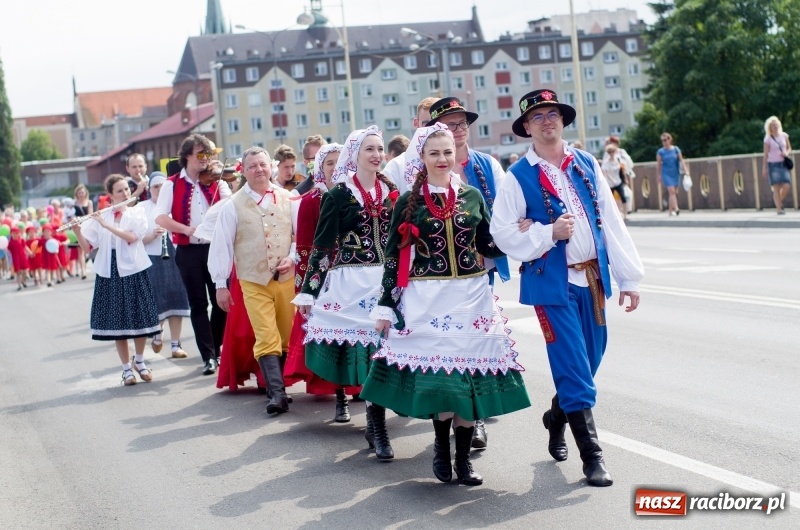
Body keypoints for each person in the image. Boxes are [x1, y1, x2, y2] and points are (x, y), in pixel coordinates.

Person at [361, 124, 530, 485]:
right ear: (422, 157)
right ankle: (441, 447)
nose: (442, 159)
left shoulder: (471, 195)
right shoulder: (409, 202)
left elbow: (487, 243)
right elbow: (393, 258)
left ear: (456, 155)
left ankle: (463, 460)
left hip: (471, 299)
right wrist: (386, 306)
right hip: (428, 302)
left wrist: (518, 234)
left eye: (448, 152)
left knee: (469, 380)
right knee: (443, 382)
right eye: (434, 153)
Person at [491, 89, 644, 487]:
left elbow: (610, 221)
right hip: (550, 284)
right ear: (527, 127)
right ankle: (592, 457)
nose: (547, 121)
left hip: (592, 278)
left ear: (562, 120)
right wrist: (547, 233)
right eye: (538, 117)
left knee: (589, 361)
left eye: (552, 114)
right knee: (573, 366)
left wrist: (628, 277)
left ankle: (556, 415)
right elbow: (502, 232)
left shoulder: (586, 163)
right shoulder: (517, 176)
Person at [294, 126, 399, 460]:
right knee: (370, 355)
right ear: (355, 154)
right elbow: (323, 247)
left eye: (380, 149)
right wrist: (309, 291)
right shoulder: (338, 195)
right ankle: (377, 426)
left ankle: (377, 419)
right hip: (352, 284)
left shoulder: (392, 191)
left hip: (387, 282)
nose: (377, 155)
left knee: (389, 352)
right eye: (369, 149)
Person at [426, 96, 512, 448]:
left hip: (477, 271)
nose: (458, 130)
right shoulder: (417, 169)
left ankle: (472, 419)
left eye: (462, 123)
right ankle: (445, 420)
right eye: (449, 125)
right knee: (445, 349)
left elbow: (506, 209)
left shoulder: (486, 165)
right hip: (432, 280)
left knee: (474, 345)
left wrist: (520, 235)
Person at [209, 147, 297, 414]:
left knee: (285, 334)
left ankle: (276, 386)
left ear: (271, 167)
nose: (258, 170)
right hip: (253, 280)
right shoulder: (232, 205)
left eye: (262, 164)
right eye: (252, 166)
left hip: (286, 279)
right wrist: (221, 285)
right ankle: (277, 394)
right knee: (265, 334)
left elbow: (298, 236)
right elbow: (222, 246)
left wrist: (291, 257)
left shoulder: (289, 198)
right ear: (243, 171)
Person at [285, 142, 361, 422]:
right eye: (329, 163)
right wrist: (307, 291)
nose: (335, 167)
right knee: (335, 339)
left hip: (355, 277)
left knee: (358, 334)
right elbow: (305, 249)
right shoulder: (310, 201)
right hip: (326, 279)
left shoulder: (357, 195)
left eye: (340, 162)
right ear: (320, 168)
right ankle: (340, 397)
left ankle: (360, 388)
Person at [73, 174, 160, 385]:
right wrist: (77, 230)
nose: (125, 193)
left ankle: (140, 361)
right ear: (110, 195)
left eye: (127, 189)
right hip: (110, 269)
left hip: (134, 268)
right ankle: (126, 369)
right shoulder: (102, 216)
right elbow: (87, 248)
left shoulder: (136, 212)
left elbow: (132, 238)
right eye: (120, 191)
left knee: (139, 318)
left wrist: (106, 225)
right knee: (118, 322)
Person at [155, 133, 231, 376]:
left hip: (215, 248)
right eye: (201, 154)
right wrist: (186, 229)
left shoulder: (218, 181)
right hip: (188, 250)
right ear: (187, 155)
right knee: (198, 304)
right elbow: (161, 218)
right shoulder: (171, 184)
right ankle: (208, 356)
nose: (206, 158)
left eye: (208, 154)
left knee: (221, 302)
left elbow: (231, 208)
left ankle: (216, 348)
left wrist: (228, 182)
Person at [139, 172, 190, 358]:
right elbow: (134, 239)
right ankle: (157, 333)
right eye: (155, 186)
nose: (159, 190)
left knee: (177, 297)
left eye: (163, 186)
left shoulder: (175, 204)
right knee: (157, 299)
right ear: (149, 189)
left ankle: (176, 345)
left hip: (176, 254)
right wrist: (152, 235)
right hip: (152, 258)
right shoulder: (141, 208)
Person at [382, 97, 438, 192]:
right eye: (427, 124)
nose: (434, 129)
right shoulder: (396, 167)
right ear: (416, 123)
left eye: (438, 123)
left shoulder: (454, 162)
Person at [762, 116, 793, 215]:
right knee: (776, 187)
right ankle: (779, 209)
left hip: (783, 163)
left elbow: (789, 148)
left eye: (776, 124)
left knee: (787, 185)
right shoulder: (768, 139)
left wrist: (786, 153)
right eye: (773, 125)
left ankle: (778, 202)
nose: (775, 126)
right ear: (769, 128)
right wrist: (764, 168)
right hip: (773, 164)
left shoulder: (784, 135)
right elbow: (765, 154)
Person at [656, 132, 688, 216]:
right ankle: (676, 208)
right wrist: (658, 175)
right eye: (662, 140)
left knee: (673, 193)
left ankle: (670, 211)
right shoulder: (660, 152)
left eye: (665, 140)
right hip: (666, 173)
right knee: (671, 191)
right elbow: (658, 164)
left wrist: (686, 170)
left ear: (670, 139)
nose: (664, 142)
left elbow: (681, 160)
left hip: (675, 172)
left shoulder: (676, 149)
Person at [601, 144, 628, 220]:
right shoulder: (606, 162)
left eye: (613, 151)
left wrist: (625, 179)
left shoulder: (618, 159)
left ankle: (625, 215)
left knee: (623, 197)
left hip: (618, 181)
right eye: (610, 152)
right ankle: (611, 216)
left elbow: (622, 170)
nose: (611, 153)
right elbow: (606, 173)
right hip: (610, 183)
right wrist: (613, 180)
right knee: (610, 200)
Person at [73, 184, 93, 279]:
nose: (81, 194)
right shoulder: (74, 203)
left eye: (82, 192)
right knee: (80, 250)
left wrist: (81, 219)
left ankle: (86, 260)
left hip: (86, 227)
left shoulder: (89, 202)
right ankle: (83, 271)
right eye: (79, 193)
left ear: (85, 193)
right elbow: (70, 215)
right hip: (77, 228)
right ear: (77, 194)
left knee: (87, 249)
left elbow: (90, 215)